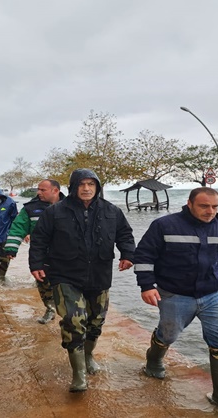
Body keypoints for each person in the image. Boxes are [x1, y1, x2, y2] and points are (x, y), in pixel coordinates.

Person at [133, 187, 218, 416]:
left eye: (215, 206)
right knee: (169, 334)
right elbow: (144, 256)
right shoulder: (164, 225)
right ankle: (154, 360)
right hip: (174, 294)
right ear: (189, 203)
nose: (210, 211)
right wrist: (147, 286)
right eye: (204, 206)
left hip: (214, 294)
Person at [29, 168, 135, 393]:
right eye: (81, 184)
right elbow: (39, 239)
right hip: (65, 275)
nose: (86, 188)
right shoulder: (55, 212)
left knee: (95, 322)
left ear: (97, 187)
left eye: (91, 184)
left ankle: (88, 356)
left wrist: (128, 254)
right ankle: (79, 374)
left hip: (99, 275)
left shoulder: (112, 211)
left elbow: (125, 234)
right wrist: (36, 264)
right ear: (73, 187)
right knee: (74, 321)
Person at [3, 179, 65, 323]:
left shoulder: (71, 206)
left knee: (67, 286)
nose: (38, 192)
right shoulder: (31, 209)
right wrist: (11, 248)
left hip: (66, 255)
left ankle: (69, 315)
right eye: (38, 189)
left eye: (43, 190)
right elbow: (18, 227)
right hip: (41, 255)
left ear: (55, 191)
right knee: (43, 283)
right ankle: (50, 309)